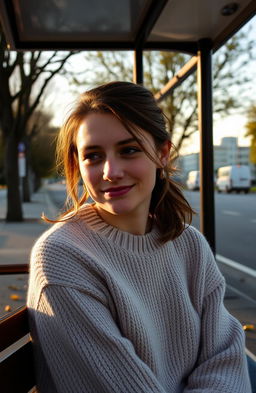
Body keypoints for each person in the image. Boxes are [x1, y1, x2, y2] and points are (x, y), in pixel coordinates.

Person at [27, 81, 251, 393]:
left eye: (128, 150)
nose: (110, 171)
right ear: (77, 164)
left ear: (162, 154)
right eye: (93, 155)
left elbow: (224, 356)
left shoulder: (189, 245)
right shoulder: (62, 257)